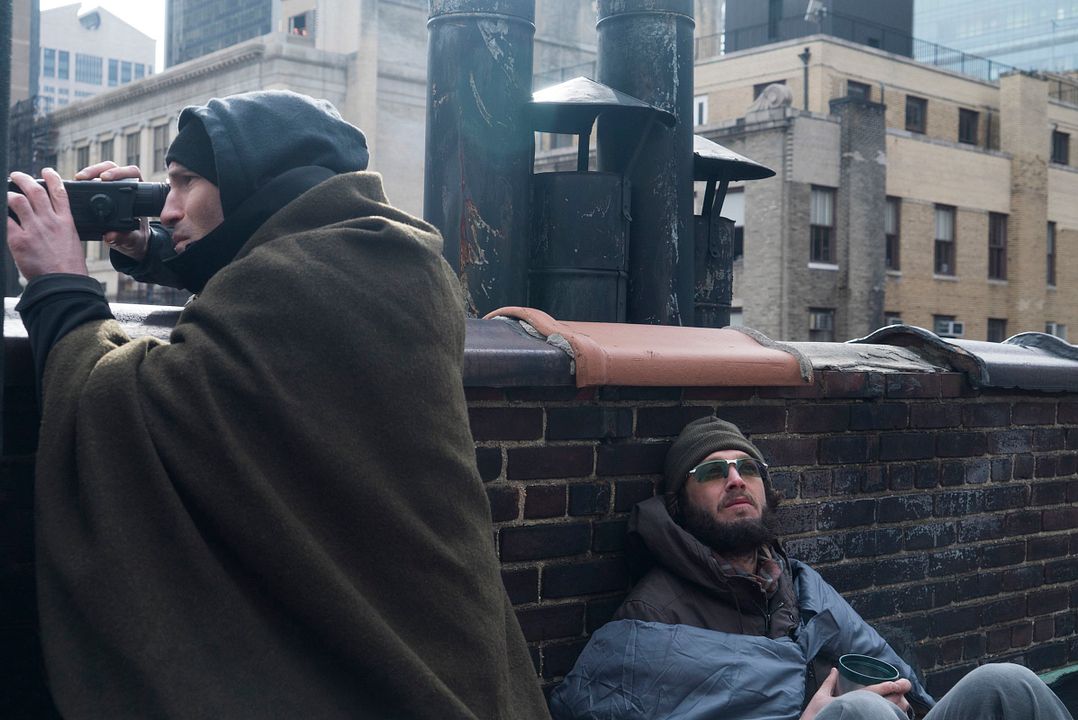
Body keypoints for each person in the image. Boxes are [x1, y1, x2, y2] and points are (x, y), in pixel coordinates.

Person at [7, 90, 550, 719]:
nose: (170, 206)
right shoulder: (391, 254)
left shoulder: (298, 283)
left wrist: (60, 287)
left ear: (252, 181)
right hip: (456, 659)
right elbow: (261, 276)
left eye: (185, 183)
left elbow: (123, 403)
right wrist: (152, 244)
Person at [548, 415, 1072, 720]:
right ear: (680, 504)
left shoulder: (797, 584)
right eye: (712, 471)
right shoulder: (654, 612)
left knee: (1007, 683)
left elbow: (902, 682)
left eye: (747, 467)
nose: (735, 479)